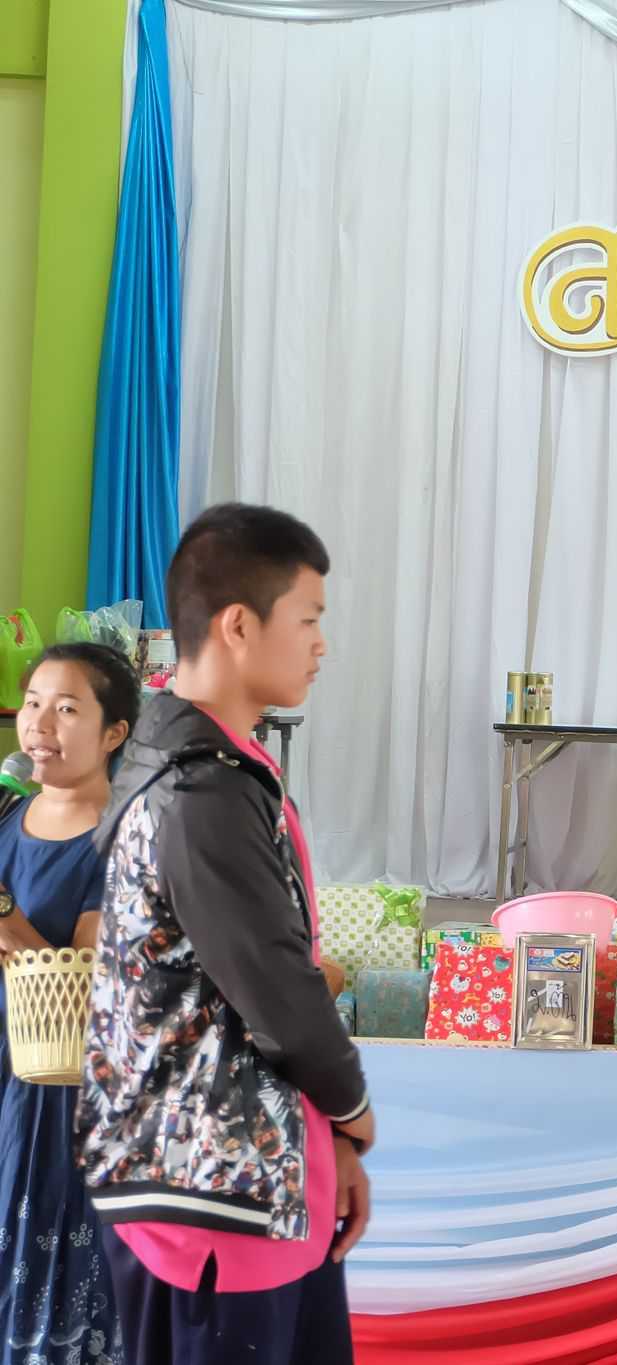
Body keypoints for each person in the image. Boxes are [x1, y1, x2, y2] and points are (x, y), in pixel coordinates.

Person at [78, 504, 374, 1365]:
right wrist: (353, 1110)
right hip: (211, 1196)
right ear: (239, 625)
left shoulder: (210, 760)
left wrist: (326, 1143)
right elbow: (276, 985)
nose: (321, 643)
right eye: (309, 619)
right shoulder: (199, 790)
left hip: (247, 1175)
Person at [0, 643, 139, 1364]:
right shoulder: (5, 813)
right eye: (32, 704)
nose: (39, 724)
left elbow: (80, 981)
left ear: (114, 733)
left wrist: (3, 913)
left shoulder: (120, 837)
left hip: (58, 1087)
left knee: (46, 1250)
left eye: (66, 708)